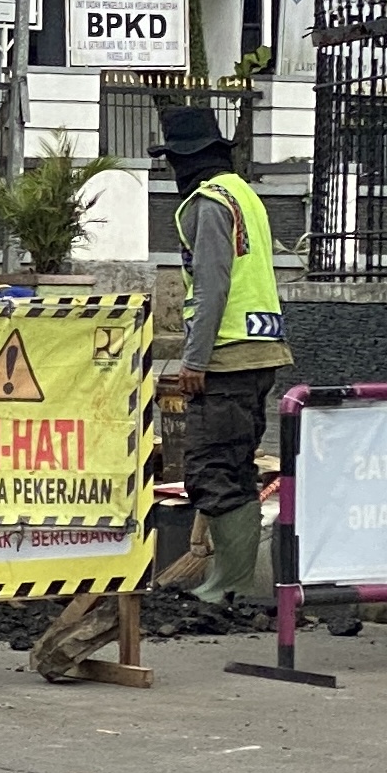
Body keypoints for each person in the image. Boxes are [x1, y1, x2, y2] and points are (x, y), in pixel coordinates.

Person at [159, 106, 288, 606]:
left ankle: (229, 586)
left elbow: (212, 287)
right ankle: (230, 584)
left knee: (211, 468)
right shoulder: (244, 195)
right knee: (235, 464)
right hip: (259, 351)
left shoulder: (207, 203)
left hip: (227, 356)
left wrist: (194, 360)